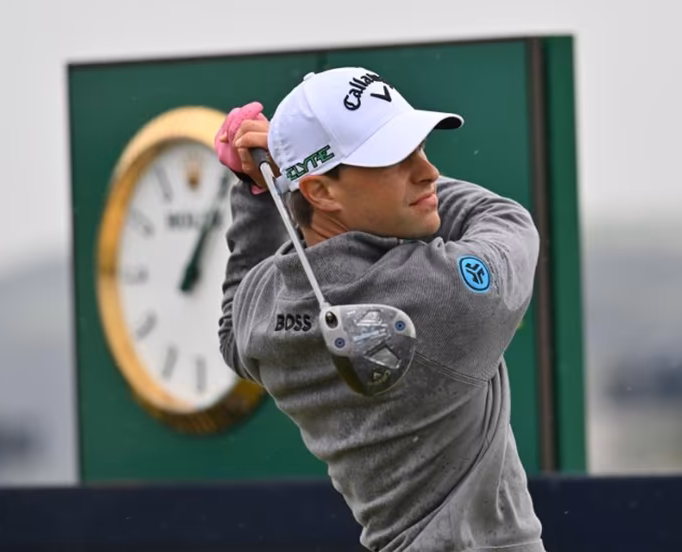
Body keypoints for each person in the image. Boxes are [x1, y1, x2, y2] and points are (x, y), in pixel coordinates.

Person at [215, 66, 545, 552]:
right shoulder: (440, 294)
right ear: (322, 192)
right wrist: (281, 178)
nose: (428, 171)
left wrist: (264, 190)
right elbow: (505, 220)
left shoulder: (266, 313)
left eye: (421, 150)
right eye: (393, 158)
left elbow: (232, 334)